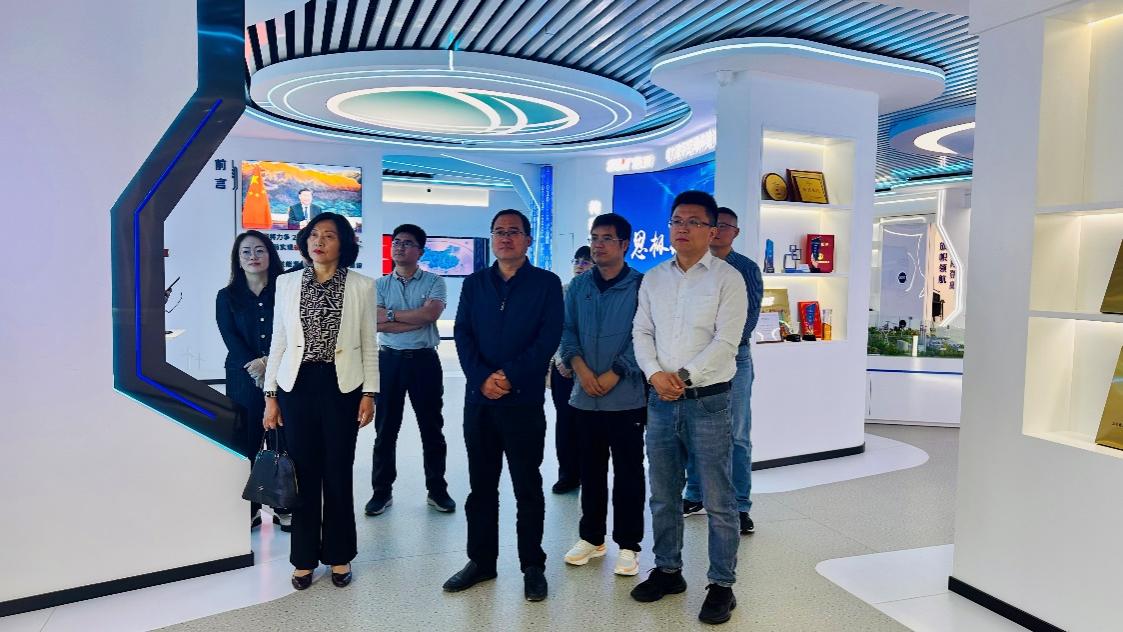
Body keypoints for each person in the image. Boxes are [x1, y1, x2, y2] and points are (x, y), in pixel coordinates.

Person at [630, 191, 747, 625]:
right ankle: (667, 571)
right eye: (677, 220)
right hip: (660, 401)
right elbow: (641, 331)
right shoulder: (654, 278)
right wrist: (654, 375)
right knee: (663, 494)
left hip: (708, 401)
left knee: (718, 498)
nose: (683, 228)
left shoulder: (728, 279)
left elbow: (727, 341)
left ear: (711, 230)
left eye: (694, 221)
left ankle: (721, 585)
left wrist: (681, 377)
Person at [444, 209, 563, 602]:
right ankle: (481, 562)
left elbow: (547, 339)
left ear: (528, 239)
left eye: (514, 232)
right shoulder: (475, 283)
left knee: (527, 485)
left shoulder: (546, 284)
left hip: (523, 401)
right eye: (499, 232)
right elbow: (462, 333)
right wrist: (482, 377)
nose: (506, 238)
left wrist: (510, 376)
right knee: (481, 487)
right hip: (479, 401)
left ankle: (532, 566)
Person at [262, 212, 379, 591]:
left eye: (329, 236)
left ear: (343, 244)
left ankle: (340, 554)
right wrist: (271, 396)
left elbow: (368, 342)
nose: (320, 241)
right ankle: (303, 558)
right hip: (296, 386)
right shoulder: (286, 283)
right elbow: (279, 340)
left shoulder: (362, 285)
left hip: (342, 386)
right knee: (303, 473)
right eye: (314, 235)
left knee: (338, 470)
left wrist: (369, 392)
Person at [558, 213, 646, 577]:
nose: (598, 245)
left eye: (606, 238)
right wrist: (580, 369)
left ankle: (629, 544)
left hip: (626, 396)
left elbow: (645, 336)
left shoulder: (641, 286)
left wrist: (615, 373)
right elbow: (567, 331)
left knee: (628, 472)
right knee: (590, 471)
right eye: (594, 238)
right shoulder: (579, 286)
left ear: (624, 244)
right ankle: (591, 538)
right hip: (585, 395)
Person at [683, 207, 764, 535]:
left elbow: (750, 316)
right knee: (694, 428)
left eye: (725, 226)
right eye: (713, 225)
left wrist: (720, 348)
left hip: (735, 358)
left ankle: (740, 505)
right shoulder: (694, 265)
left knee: (737, 434)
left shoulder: (745, 268)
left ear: (735, 232)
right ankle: (695, 494)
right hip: (696, 359)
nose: (717, 231)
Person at [365, 223, 454, 516]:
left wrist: (390, 316)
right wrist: (412, 318)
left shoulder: (434, 281)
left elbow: (431, 314)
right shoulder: (379, 285)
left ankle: (437, 490)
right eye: (396, 242)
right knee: (385, 429)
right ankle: (381, 492)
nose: (400, 247)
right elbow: (373, 322)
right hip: (388, 361)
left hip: (424, 361)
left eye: (407, 243)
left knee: (432, 428)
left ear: (420, 251)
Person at [215, 230, 291, 531]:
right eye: (245, 252)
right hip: (242, 376)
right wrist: (255, 365)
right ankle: (251, 507)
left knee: (282, 439)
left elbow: (293, 330)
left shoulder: (286, 290)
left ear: (270, 254)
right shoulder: (227, 296)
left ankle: (283, 503)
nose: (253, 257)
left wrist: (268, 363)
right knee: (246, 439)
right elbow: (230, 336)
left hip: (283, 372)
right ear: (238, 259)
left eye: (260, 250)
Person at [549, 245, 593, 494]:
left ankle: (589, 472)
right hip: (563, 369)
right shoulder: (562, 292)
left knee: (589, 423)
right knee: (565, 423)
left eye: (586, 262)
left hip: (592, 369)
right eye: (577, 261)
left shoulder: (600, 293)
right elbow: (552, 329)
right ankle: (567, 474)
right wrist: (560, 359)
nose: (579, 265)